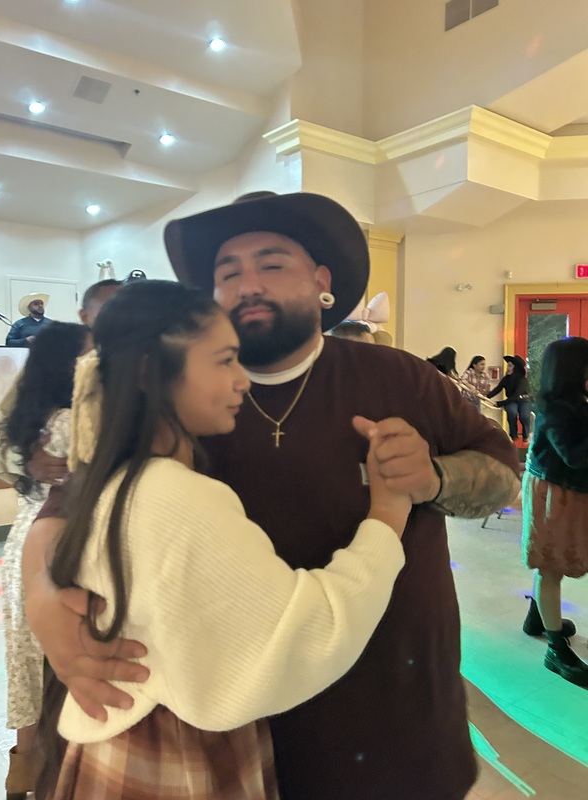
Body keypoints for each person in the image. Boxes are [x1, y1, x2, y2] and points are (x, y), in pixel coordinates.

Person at [24, 192, 520, 800]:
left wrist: (433, 479)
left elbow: (502, 475)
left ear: (321, 283)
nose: (247, 284)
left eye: (272, 263)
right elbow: (79, 497)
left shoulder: (398, 377)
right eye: (228, 272)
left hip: (397, 711)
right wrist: (42, 595)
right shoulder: (180, 404)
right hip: (239, 729)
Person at [38, 279, 409, 799]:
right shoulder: (175, 497)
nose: (244, 381)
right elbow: (305, 631)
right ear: (151, 371)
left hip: (117, 736)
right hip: (169, 749)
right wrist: (388, 515)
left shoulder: (107, 476)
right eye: (224, 361)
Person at [0, 322, 90, 800]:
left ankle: (22, 767)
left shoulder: (29, 411)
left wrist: (23, 459)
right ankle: (63, 771)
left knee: (26, 659)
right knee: (69, 659)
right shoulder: (84, 416)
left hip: (22, 542)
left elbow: (1, 439)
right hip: (67, 540)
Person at [0, 279, 121, 488]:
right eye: (113, 309)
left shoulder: (156, 361)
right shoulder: (58, 358)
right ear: (85, 316)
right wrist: (25, 460)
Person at [521, 337, 588, 687]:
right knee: (551, 568)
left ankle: (538, 616)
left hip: (565, 490)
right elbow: (575, 456)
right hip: (553, 494)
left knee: (554, 563)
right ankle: (556, 651)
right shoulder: (557, 409)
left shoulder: (572, 401)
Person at [487, 354, 532, 441]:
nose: (508, 368)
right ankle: (514, 435)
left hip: (523, 400)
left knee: (525, 416)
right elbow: (497, 389)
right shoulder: (506, 379)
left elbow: (516, 395)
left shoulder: (523, 380)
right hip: (511, 401)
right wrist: (486, 396)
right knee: (512, 412)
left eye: (510, 366)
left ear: (516, 368)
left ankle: (526, 435)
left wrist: (500, 403)